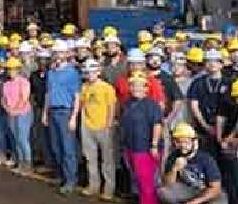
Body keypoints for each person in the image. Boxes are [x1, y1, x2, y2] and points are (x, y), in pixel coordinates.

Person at [43, 41, 82, 194]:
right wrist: (45, 113)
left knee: (68, 149)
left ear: (66, 54)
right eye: (56, 53)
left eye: (60, 53)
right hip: (52, 111)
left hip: (66, 112)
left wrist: (74, 117)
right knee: (56, 147)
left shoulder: (72, 72)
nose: (58, 56)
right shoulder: (51, 72)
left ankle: (71, 180)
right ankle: (62, 176)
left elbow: (77, 96)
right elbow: (48, 94)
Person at [119, 74, 164, 204]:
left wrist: (154, 145)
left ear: (146, 88)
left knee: (146, 182)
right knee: (137, 180)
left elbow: (157, 124)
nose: (135, 88)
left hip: (145, 148)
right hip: (130, 147)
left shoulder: (151, 105)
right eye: (133, 85)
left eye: (139, 86)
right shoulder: (128, 103)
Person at [76, 58, 117, 199]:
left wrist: (109, 125)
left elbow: (112, 107)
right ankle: (93, 185)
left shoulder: (106, 88)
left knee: (107, 160)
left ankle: (108, 189)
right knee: (90, 158)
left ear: (98, 72)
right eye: (87, 72)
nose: (90, 75)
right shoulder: (85, 87)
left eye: (92, 72)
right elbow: (82, 105)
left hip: (103, 127)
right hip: (87, 126)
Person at [159, 123, 228, 204]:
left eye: (186, 141)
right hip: (190, 189)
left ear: (194, 142)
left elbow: (216, 188)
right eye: (178, 142)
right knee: (163, 192)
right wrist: (175, 169)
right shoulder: (174, 156)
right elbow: (167, 184)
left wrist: (194, 202)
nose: (182, 145)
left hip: (208, 191)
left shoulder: (206, 159)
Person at [189, 49, 233, 154]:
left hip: (226, 128)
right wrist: (205, 126)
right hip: (203, 127)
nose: (212, 64)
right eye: (208, 61)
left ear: (221, 64)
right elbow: (194, 106)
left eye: (216, 61)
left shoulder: (230, 82)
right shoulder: (198, 83)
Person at [1, 57, 32, 173]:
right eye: (9, 69)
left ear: (18, 69)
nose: (11, 72)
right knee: (17, 139)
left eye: (13, 69)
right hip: (11, 114)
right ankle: (20, 163)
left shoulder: (24, 82)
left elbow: (24, 98)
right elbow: (3, 99)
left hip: (23, 113)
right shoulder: (6, 84)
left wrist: (14, 109)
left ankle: (28, 164)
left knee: (23, 139)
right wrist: (8, 109)